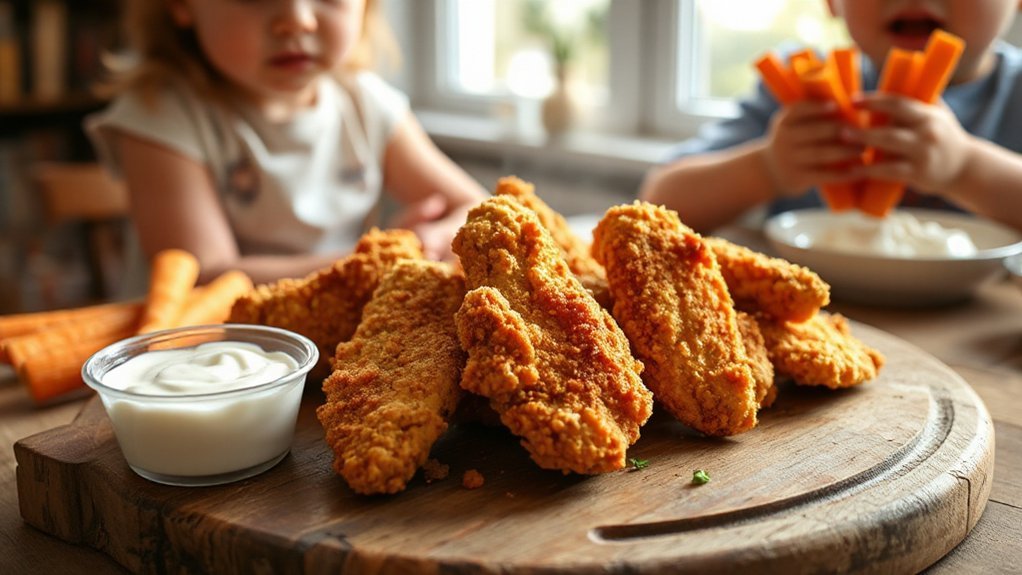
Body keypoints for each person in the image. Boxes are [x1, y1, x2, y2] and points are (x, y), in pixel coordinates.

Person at [87, 0, 488, 284]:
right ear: (181, 4)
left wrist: (427, 243)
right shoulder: (161, 113)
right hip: (199, 355)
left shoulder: (367, 103)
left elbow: (478, 208)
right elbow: (203, 278)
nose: (297, 20)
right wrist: (378, 258)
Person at [640, 0, 1022, 234]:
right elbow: (659, 201)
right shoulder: (801, 87)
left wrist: (965, 168)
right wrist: (768, 167)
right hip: (817, 318)